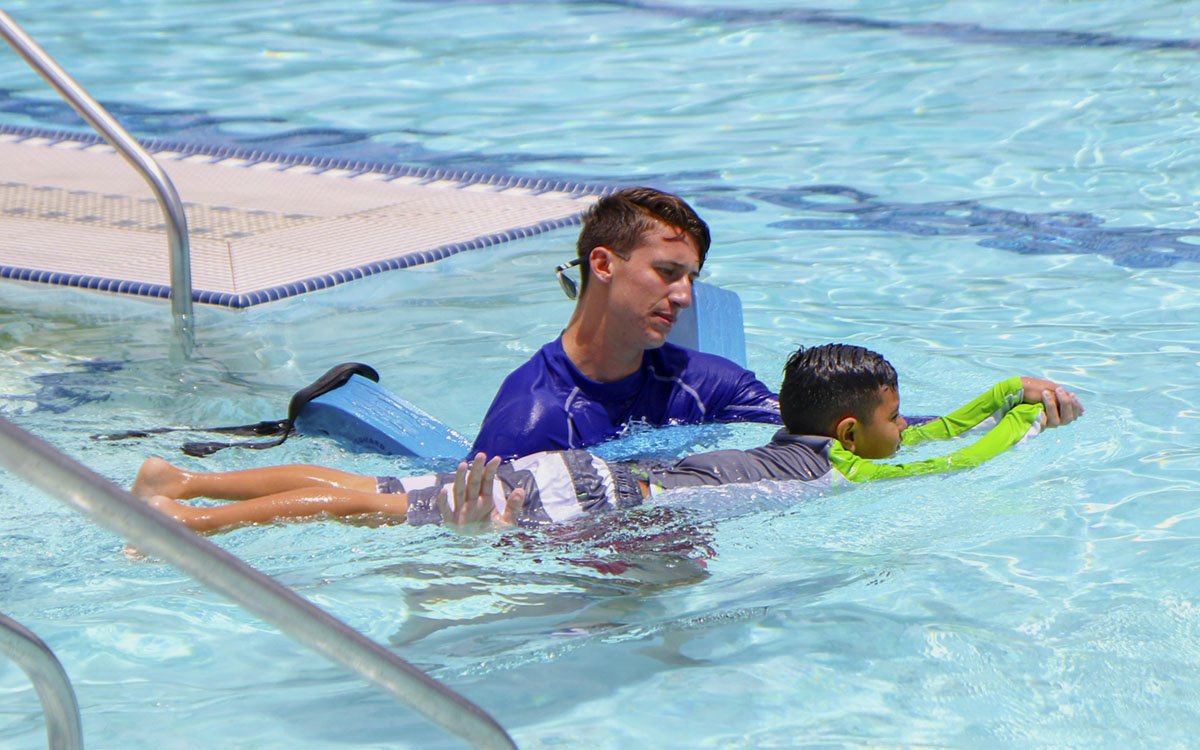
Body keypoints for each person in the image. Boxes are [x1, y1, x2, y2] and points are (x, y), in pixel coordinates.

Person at [133, 344, 1072, 534]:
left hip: (592, 477)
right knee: (370, 511)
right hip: (608, 497)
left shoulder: (808, 441)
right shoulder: (841, 473)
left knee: (378, 494)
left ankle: (179, 478)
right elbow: (955, 453)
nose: (905, 430)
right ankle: (189, 522)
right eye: (892, 417)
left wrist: (1006, 388)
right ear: (848, 430)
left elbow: (939, 429)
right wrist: (1024, 419)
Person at [469, 187, 1084, 460]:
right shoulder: (533, 418)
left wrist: (1003, 407)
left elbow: (839, 432)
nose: (684, 297)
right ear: (601, 264)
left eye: (692, 278)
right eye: (666, 272)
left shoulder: (703, 383)